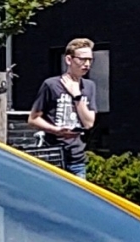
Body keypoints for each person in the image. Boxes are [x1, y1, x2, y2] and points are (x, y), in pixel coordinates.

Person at [28, 35, 97, 175]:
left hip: (77, 159)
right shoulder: (51, 85)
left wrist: (77, 96)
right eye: (82, 59)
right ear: (69, 60)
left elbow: (89, 123)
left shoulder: (89, 86)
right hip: (53, 156)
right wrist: (55, 130)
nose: (87, 64)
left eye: (90, 59)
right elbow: (33, 119)